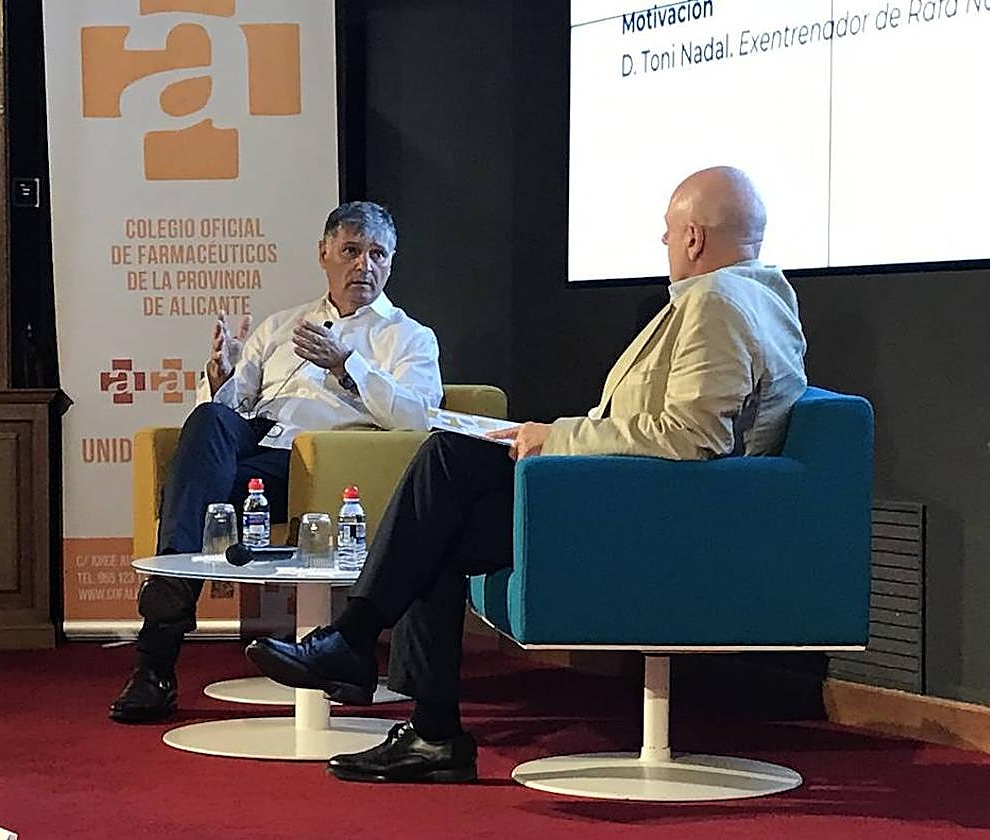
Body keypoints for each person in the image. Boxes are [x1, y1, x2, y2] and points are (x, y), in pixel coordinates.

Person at [244, 167, 808, 783]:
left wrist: (555, 438)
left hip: (658, 514)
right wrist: (549, 434)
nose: (665, 246)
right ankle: (423, 727)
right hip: (642, 495)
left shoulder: (716, 302)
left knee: (448, 461)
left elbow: (690, 438)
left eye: (669, 234)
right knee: (443, 509)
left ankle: (358, 648)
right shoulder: (764, 299)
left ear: (694, 238)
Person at [109, 201, 444, 723]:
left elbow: (419, 417)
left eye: (378, 254)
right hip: (254, 449)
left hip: (322, 463)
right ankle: (173, 592)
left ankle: (158, 652)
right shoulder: (281, 325)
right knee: (208, 421)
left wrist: (346, 365)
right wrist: (220, 379)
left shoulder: (408, 337)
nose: (364, 265)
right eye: (351, 252)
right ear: (324, 255)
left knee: (202, 492)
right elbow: (232, 408)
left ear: (392, 261)